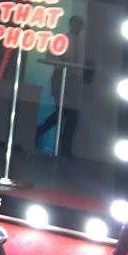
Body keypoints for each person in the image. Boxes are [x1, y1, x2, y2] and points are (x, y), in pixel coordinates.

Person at [35, 15, 86, 158]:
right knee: (64, 112)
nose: (78, 27)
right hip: (60, 77)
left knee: (69, 114)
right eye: (76, 24)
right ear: (71, 24)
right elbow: (49, 56)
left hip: (74, 81)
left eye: (80, 25)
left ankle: (63, 147)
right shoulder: (61, 39)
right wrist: (61, 60)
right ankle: (60, 146)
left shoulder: (82, 44)